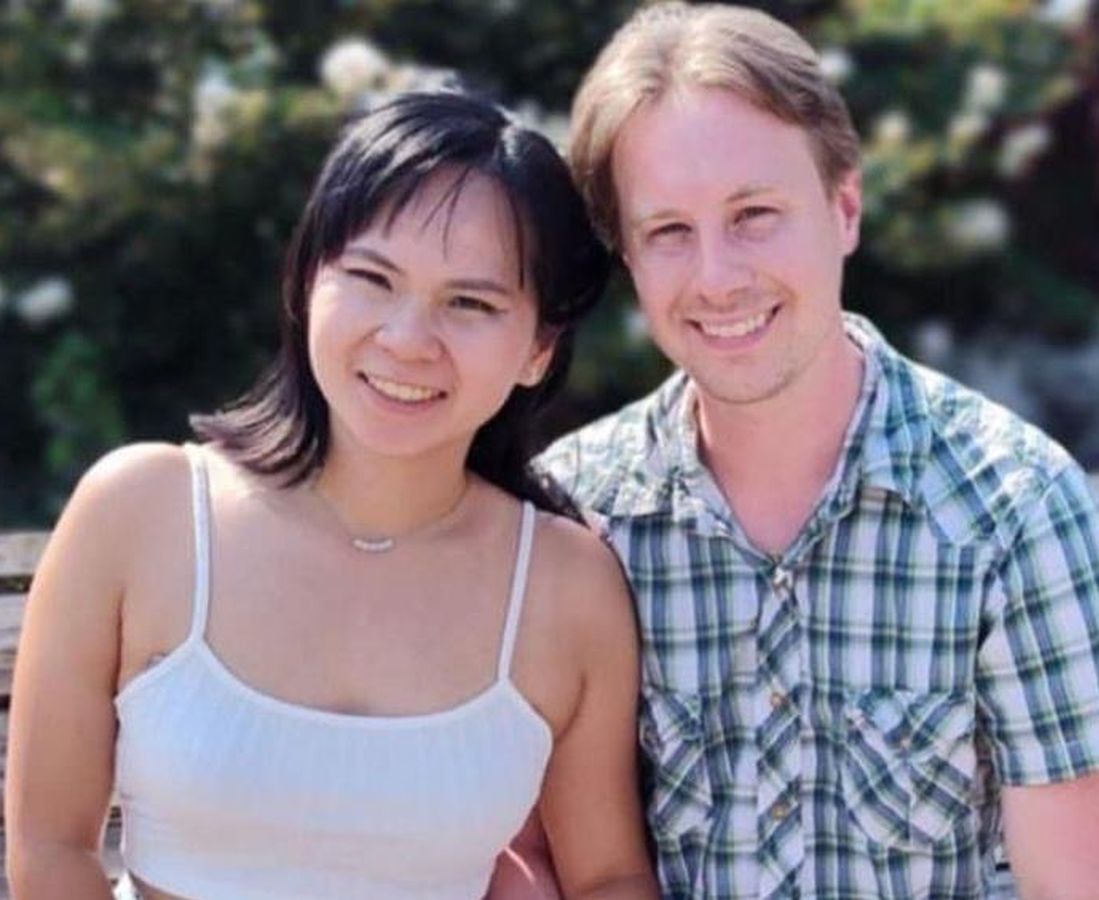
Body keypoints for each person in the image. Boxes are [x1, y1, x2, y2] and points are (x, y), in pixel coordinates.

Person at [534, 4, 1099, 898]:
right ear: (629, 258)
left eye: (755, 214)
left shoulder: (1014, 506)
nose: (717, 277)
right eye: (669, 231)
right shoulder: (574, 518)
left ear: (844, 209)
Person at [5, 91, 658, 900]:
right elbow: (50, 848)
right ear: (308, 281)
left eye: (470, 303)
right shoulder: (141, 512)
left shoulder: (567, 585)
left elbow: (608, 877)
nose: (407, 340)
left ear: (539, 350)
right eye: (373, 278)